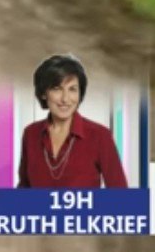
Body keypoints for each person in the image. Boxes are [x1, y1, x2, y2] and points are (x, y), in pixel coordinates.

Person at [17, 54, 129, 189]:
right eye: (57, 89)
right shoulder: (31, 134)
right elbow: (23, 189)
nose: (65, 99)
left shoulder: (100, 135)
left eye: (72, 89)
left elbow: (120, 194)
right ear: (43, 93)